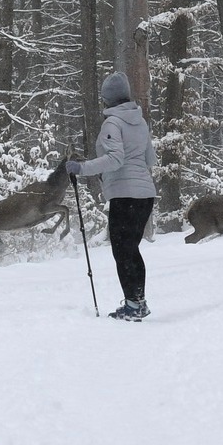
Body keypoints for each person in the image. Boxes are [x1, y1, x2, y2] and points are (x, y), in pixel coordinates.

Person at [67, 72, 158, 321]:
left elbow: (116, 159)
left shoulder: (112, 123)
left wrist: (82, 168)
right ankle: (137, 301)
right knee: (131, 249)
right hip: (145, 195)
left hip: (125, 195)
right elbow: (151, 159)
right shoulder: (139, 121)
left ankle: (134, 305)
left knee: (123, 251)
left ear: (107, 99)